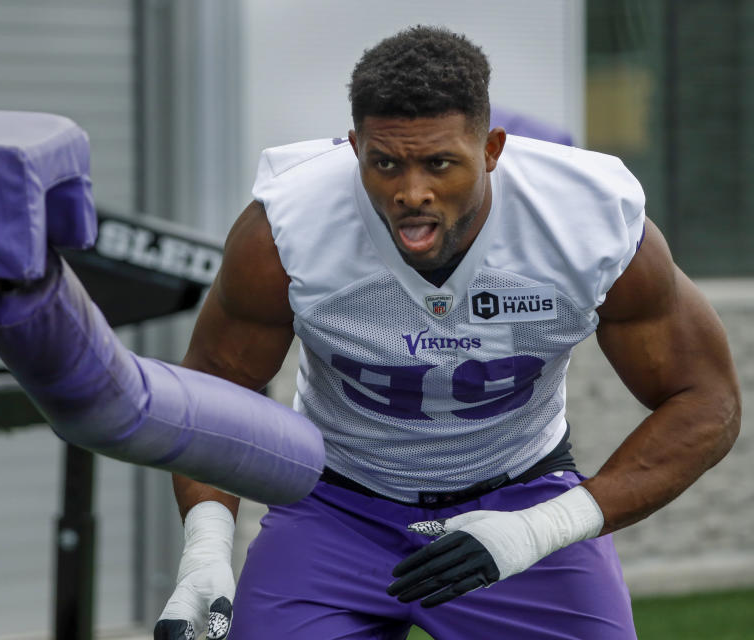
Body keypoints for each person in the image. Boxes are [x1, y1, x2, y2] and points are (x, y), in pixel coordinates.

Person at [154, 26, 740, 640]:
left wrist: (542, 528)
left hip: (520, 494)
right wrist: (205, 552)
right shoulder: (287, 228)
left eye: (439, 163)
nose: (412, 193)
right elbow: (216, 390)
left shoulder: (584, 223)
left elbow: (707, 401)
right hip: (336, 507)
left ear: (492, 148)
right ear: (355, 148)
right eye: (385, 163)